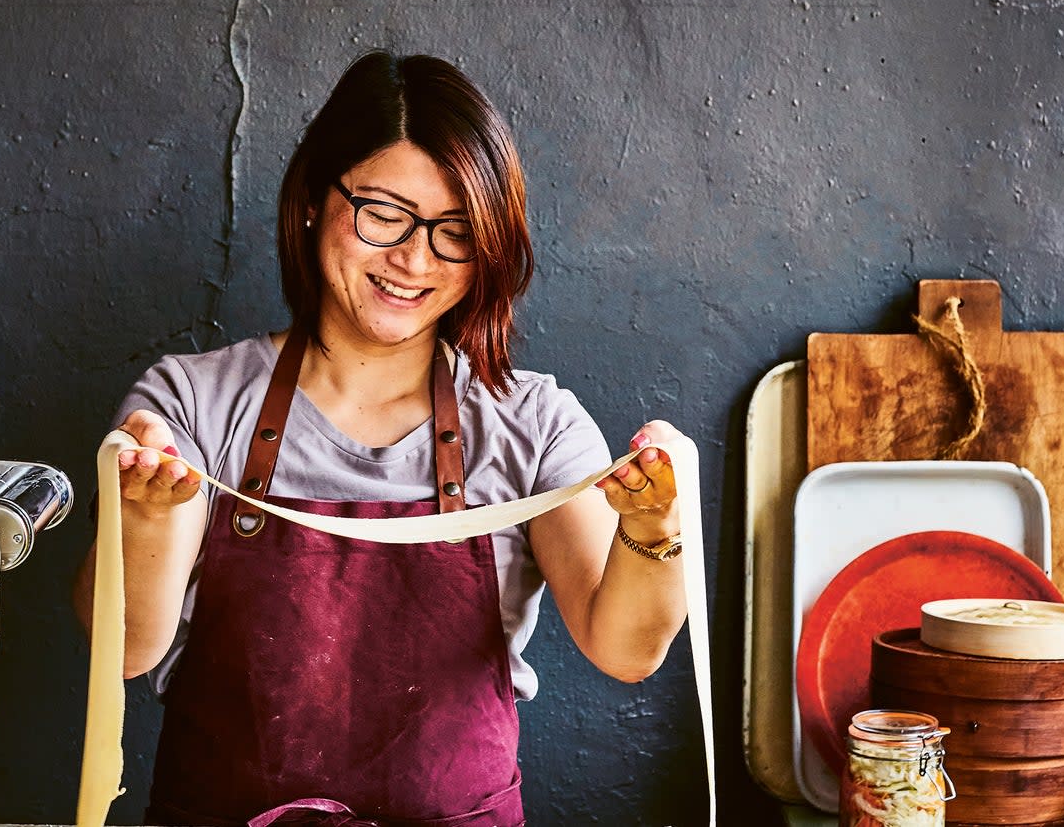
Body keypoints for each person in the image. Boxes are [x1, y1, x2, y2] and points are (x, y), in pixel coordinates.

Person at [73, 50, 689, 827]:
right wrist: (150, 513)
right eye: (383, 213)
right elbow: (123, 653)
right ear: (311, 198)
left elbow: (626, 650)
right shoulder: (191, 404)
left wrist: (655, 528)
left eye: (454, 230)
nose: (414, 256)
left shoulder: (534, 424)